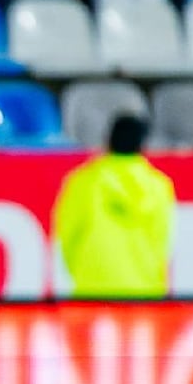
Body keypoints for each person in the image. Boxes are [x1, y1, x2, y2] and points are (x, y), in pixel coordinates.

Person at [53, 114, 176, 298]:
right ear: (142, 145)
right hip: (145, 291)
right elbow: (161, 241)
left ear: (107, 140)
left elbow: (67, 232)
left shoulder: (84, 181)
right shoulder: (158, 185)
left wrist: (80, 272)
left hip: (91, 290)